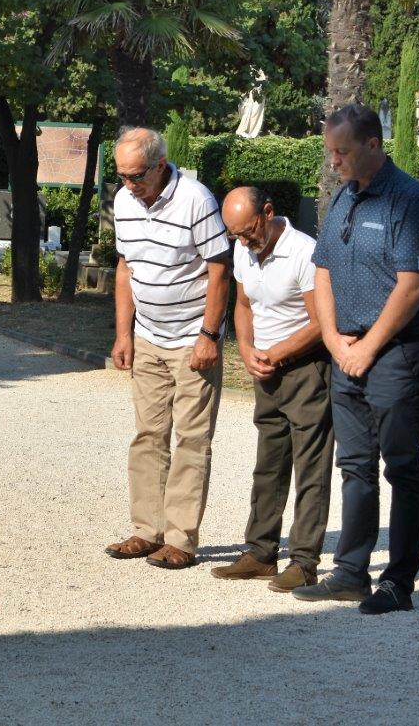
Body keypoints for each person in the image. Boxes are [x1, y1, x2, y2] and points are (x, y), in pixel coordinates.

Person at [293, 103, 419, 615]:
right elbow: (325, 272)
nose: (333, 161)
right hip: (347, 352)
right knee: (354, 466)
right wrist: (334, 342)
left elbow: (413, 284)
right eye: (330, 151)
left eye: (341, 151)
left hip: (395, 352)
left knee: (402, 467)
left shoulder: (409, 201)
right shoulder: (342, 198)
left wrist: (368, 347)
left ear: (373, 145)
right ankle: (351, 573)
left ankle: (398, 583)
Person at [105, 127, 230, 571]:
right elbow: (126, 268)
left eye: (136, 175)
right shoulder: (124, 202)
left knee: (192, 439)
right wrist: (124, 333)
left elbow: (219, 270)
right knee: (147, 435)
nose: (128, 184)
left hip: (192, 338)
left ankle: (180, 539)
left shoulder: (196, 199)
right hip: (148, 335)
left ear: (160, 165)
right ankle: (146, 530)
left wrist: (209, 335)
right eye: (121, 175)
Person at [211, 186, 333, 593]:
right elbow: (243, 305)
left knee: (310, 468)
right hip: (266, 370)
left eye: (248, 232)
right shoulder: (244, 249)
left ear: (267, 212)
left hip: (304, 370)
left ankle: (303, 562)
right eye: (236, 236)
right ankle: (261, 553)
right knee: (268, 464)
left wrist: (277, 352)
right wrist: (246, 349)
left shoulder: (304, 251)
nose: (243, 242)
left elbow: (320, 323)